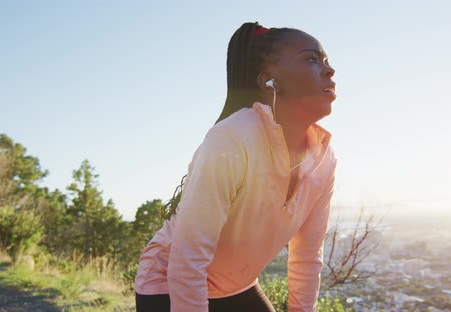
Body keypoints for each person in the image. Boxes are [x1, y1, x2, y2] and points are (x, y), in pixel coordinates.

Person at [134, 21, 338, 312]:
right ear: (270, 80)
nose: (329, 70)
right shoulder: (233, 138)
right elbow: (187, 259)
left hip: (235, 286)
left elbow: (306, 258)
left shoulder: (323, 159)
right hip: (169, 283)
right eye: (311, 59)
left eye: (327, 61)